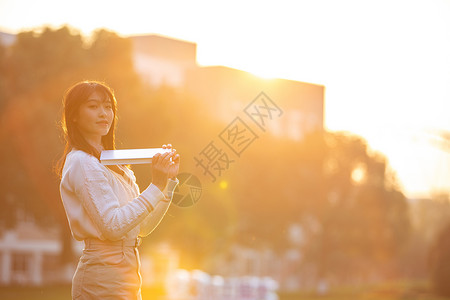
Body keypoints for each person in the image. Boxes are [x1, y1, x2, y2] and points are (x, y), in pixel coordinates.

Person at [57, 80, 180, 299]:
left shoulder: (117, 164)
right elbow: (113, 226)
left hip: (129, 271)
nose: (103, 113)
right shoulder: (82, 162)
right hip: (102, 274)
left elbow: (141, 228)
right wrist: (156, 186)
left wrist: (167, 183)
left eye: (107, 106)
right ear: (74, 115)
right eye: (93, 106)